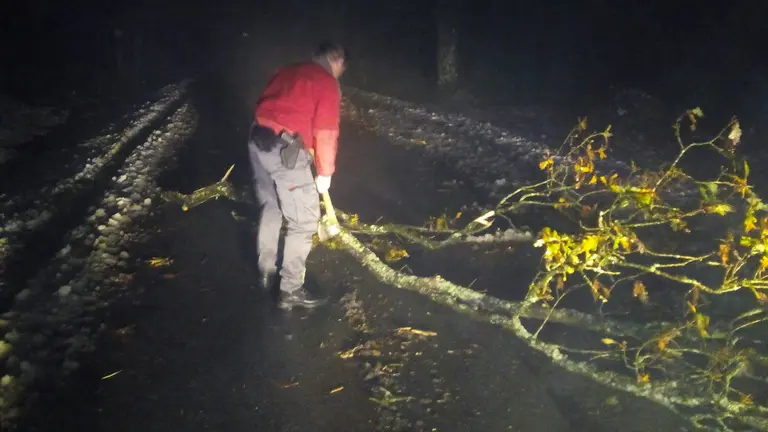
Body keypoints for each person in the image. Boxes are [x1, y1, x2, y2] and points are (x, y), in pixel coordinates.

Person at [247, 42, 347, 310]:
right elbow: (326, 132)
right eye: (342, 67)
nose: (340, 73)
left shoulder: (290, 70)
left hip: (257, 137)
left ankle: (266, 268)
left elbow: (281, 108)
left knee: (272, 205)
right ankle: (290, 290)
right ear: (336, 61)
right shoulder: (326, 82)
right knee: (303, 222)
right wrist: (324, 173)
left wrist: (308, 149)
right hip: (284, 149)